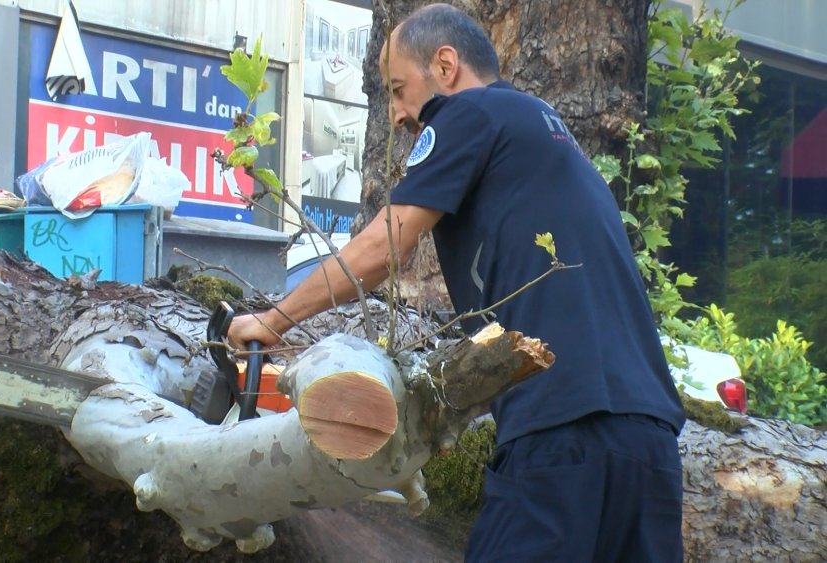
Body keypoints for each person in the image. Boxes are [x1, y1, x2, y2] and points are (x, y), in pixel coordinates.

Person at [229, 4, 686, 562]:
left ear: (445, 66)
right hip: (652, 444)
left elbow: (384, 248)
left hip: (563, 434)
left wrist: (273, 321)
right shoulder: (544, 132)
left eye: (398, 89)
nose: (397, 114)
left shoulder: (469, 113)